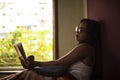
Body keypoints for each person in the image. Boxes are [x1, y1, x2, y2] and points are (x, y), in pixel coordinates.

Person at [0, 18, 101, 80]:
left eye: (81, 30)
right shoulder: (83, 47)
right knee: (27, 73)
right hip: (67, 76)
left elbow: (59, 63)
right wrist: (35, 66)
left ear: (91, 34)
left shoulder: (85, 48)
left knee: (27, 74)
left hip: (71, 79)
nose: (77, 32)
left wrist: (35, 64)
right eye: (77, 29)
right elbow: (61, 65)